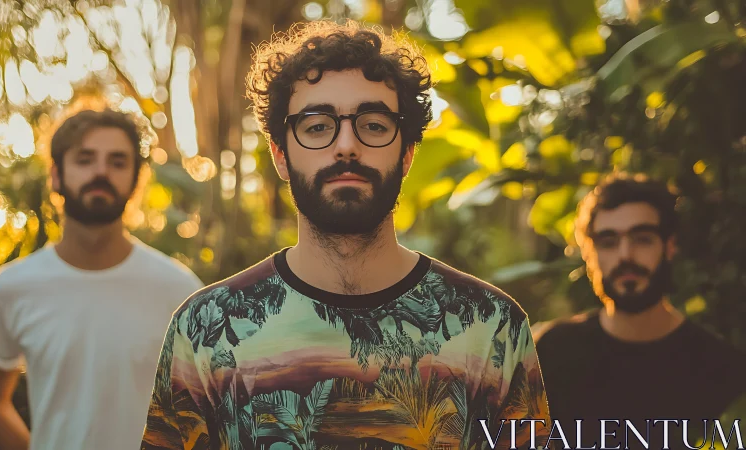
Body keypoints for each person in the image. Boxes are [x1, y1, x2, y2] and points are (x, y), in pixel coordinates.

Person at [141, 20, 550, 450]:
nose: (347, 145)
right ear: (280, 156)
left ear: (407, 154)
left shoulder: (491, 327)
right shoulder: (206, 328)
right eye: (317, 126)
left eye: (373, 125)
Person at [0, 109, 204, 450]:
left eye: (117, 162)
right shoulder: (11, 288)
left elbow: (206, 412)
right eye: (85, 159)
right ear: (56, 175)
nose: (101, 172)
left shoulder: (181, 291)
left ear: (136, 180)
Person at [534, 173, 746, 449]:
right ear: (590, 254)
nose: (625, 255)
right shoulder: (551, 353)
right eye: (608, 242)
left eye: (642, 239)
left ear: (669, 246)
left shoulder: (722, 370)